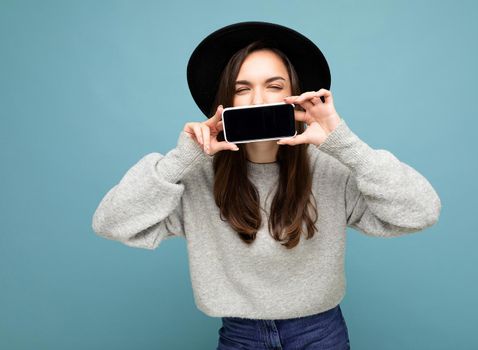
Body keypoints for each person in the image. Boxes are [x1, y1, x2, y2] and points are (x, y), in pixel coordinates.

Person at [91, 21, 442, 350]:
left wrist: (344, 142)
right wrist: (180, 159)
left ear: (295, 97)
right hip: (239, 336)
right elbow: (111, 223)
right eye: (243, 89)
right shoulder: (195, 175)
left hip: (320, 334)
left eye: (274, 86)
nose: (259, 99)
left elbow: (421, 211)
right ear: (224, 102)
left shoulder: (332, 167)